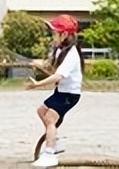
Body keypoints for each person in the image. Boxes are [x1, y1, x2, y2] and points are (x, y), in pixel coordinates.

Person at [26, 14, 83, 168]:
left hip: (70, 94)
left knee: (50, 118)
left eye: (54, 32)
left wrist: (37, 84)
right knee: (41, 111)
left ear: (64, 34)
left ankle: (50, 154)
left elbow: (59, 75)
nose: (52, 36)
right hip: (61, 91)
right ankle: (55, 142)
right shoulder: (60, 50)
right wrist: (40, 66)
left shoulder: (71, 53)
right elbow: (54, 71)